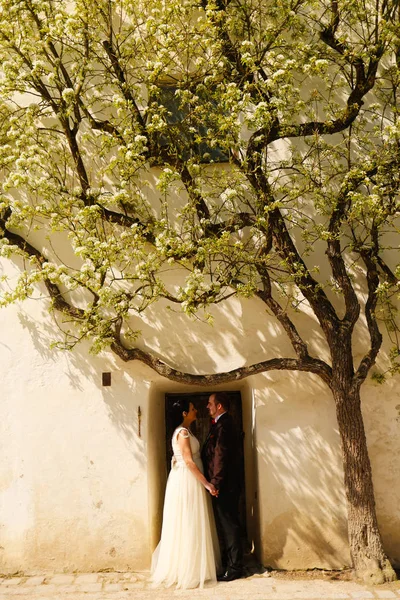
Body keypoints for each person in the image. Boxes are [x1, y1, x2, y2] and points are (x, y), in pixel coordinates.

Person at [151, 399, 221, 589]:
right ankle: (189, 568)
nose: (196, 410)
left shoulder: (184, 431)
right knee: (189, 519)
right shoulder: (182, 433)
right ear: (184, 413)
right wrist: (206, 483)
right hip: (187, 480)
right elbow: (189, 462)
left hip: (186, 478)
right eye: (192, 409)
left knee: (190, 520)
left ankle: (197, 564)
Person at [201, 392, 244, 582]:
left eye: (210, 403)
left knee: (229, 526)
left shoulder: (224, 425)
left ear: (219, 406)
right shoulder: (221, 424)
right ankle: (230, 564)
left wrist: (215, 483)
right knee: (226, 525)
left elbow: (221, 456)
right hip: (225, 484)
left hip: (225, 485)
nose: (207, 407)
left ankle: (235, 568)